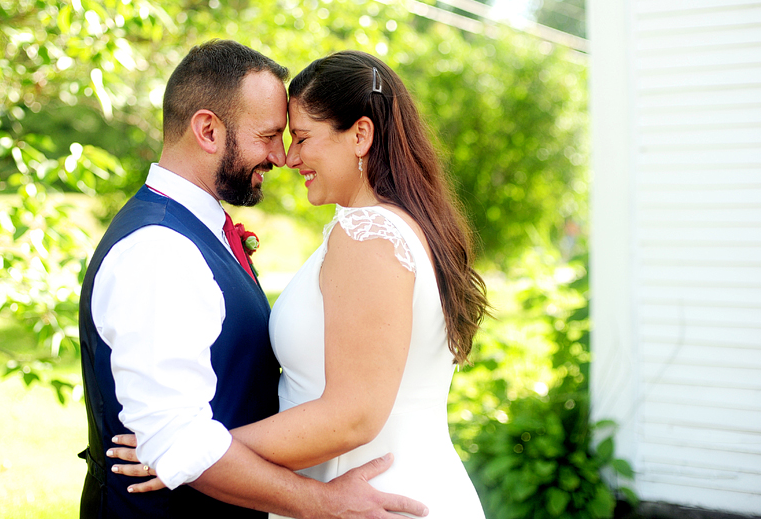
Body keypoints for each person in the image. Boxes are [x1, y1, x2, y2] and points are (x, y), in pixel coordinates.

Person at [109, 50, 489, 518]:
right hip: (378, 486)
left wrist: (191, 452)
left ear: (360, 136)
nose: (287, 157)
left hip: (370, 496)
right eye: (276, 137)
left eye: (301, 138)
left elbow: (352, 415)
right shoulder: (394, 226)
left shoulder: (368, 234)